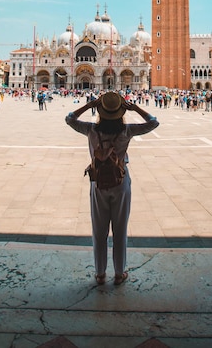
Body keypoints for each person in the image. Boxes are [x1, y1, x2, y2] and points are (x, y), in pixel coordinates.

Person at [65, 91, 159, 286]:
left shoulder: (91, 130)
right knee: (120, 228)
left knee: (99, 231)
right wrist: (134, 107)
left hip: (98, 182)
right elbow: (153, 122)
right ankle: (119, 273)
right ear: (120, 111)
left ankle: (100, 274)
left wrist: (89, 105)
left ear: (100, 111)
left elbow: (70, 118)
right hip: (121, 182)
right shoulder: (126, 131)